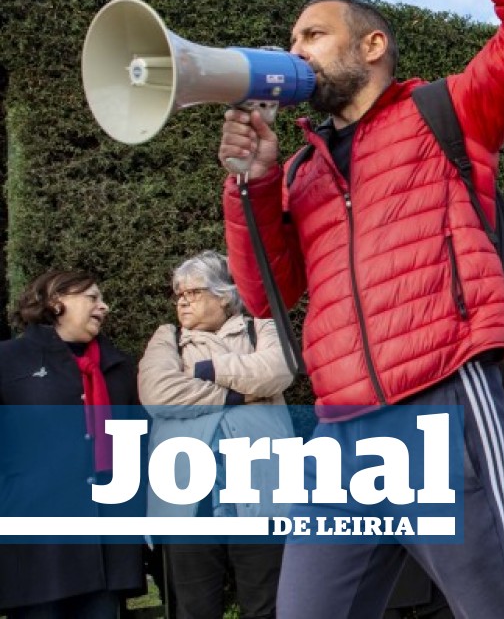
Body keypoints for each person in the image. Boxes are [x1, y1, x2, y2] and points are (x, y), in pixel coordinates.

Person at [216, 0, 504, 615]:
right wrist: (249, 183)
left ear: (372, 45)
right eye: (292, 39)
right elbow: (262, 295)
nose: (296, 50)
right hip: (344, 428)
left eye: (314, 34)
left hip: (444, 399)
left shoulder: (446, 112)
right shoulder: (303, 170)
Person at [137, 251, 295, 619]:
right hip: (187, 499)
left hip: (262, 492)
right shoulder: (168, 338)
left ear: (224, 294)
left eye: (192, 292)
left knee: (267, 606)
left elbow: (279, 369)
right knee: (193, 609)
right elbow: (158, 393)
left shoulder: (262, 327)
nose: (182, 300)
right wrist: (239, 395)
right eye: (178, 294)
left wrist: (203, 369)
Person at [0, 270, 145, 618]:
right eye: (93, 298)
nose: (104, 306)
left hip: (104, 546)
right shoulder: (8, 360)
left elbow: (137, 443)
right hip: (36, 546)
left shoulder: (117, 366)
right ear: (56, 301)